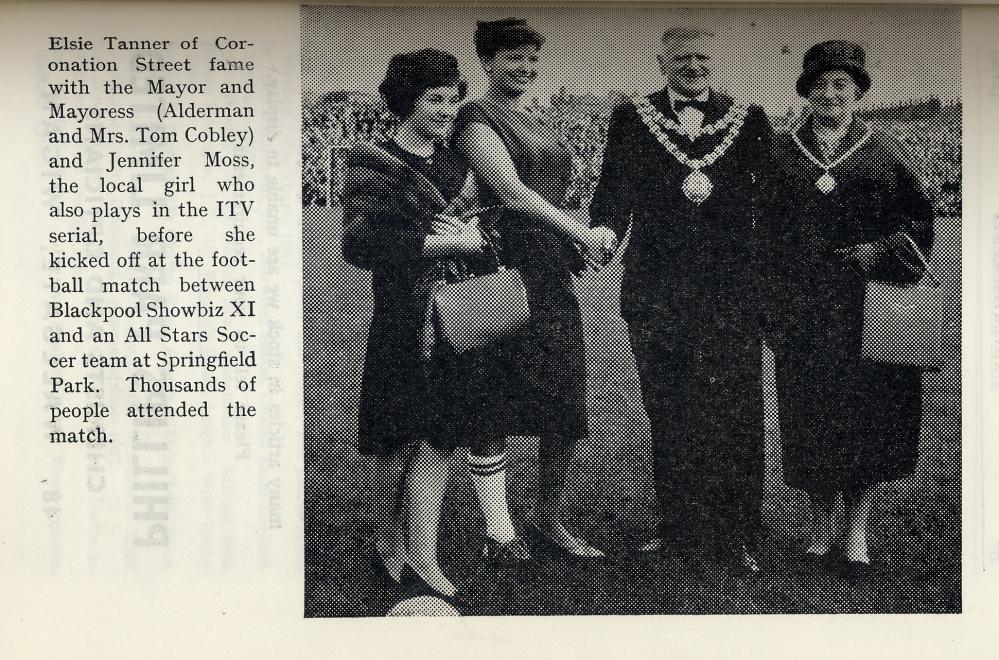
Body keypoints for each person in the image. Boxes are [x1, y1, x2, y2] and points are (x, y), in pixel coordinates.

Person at [588, 27, 777, 576]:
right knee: (669, 410)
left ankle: (738, 534)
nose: (691, 67)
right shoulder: (631, 119)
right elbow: (611, 194)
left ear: (714, 63)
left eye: (701, 58)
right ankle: (678, 530)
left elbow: (771, 202)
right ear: (662, 63)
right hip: (656, 291)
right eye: (680, 59)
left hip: (732, 291)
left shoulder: (749, 120)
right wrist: (597, 236)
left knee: (735, 409)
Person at [446, 18, 613, 563]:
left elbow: (568, 187)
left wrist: (586, 237)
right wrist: (578, 230)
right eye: (509, 58)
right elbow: (512, 192)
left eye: (530, 58)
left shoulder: (549, 117)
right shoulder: (474, 118)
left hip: (551, 270)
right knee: (493, 397)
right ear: (487, 63)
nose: (522, 67)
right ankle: (500, 529)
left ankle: (552, 520)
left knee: (565, 399)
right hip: (498, 269)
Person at [767, 41, 934, 579]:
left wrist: (876, 253)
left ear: (860, 93)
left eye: (843, 85)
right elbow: (760, 235)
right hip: (804, 306)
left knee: (867, 413)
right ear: (807, 92)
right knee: (810, 412)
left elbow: (920, 227)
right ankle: (818, 525)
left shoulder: (886, 153)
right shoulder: (780, 154)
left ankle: (856, 529)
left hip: (870, 304)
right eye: (821, 85)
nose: (831, 95)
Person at [340, 49, 486, 602]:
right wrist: (446, 240)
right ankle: (386, 540)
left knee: (438, 437)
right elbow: (361, 244)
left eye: (452, 98)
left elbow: (485, 233)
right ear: (406, 102)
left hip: (459, 311)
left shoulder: (456, 161)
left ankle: (422, 551)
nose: (447, 109)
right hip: (402, 315)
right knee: (390, 435)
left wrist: (476, 242)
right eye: (434, 99)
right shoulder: (370, 161)